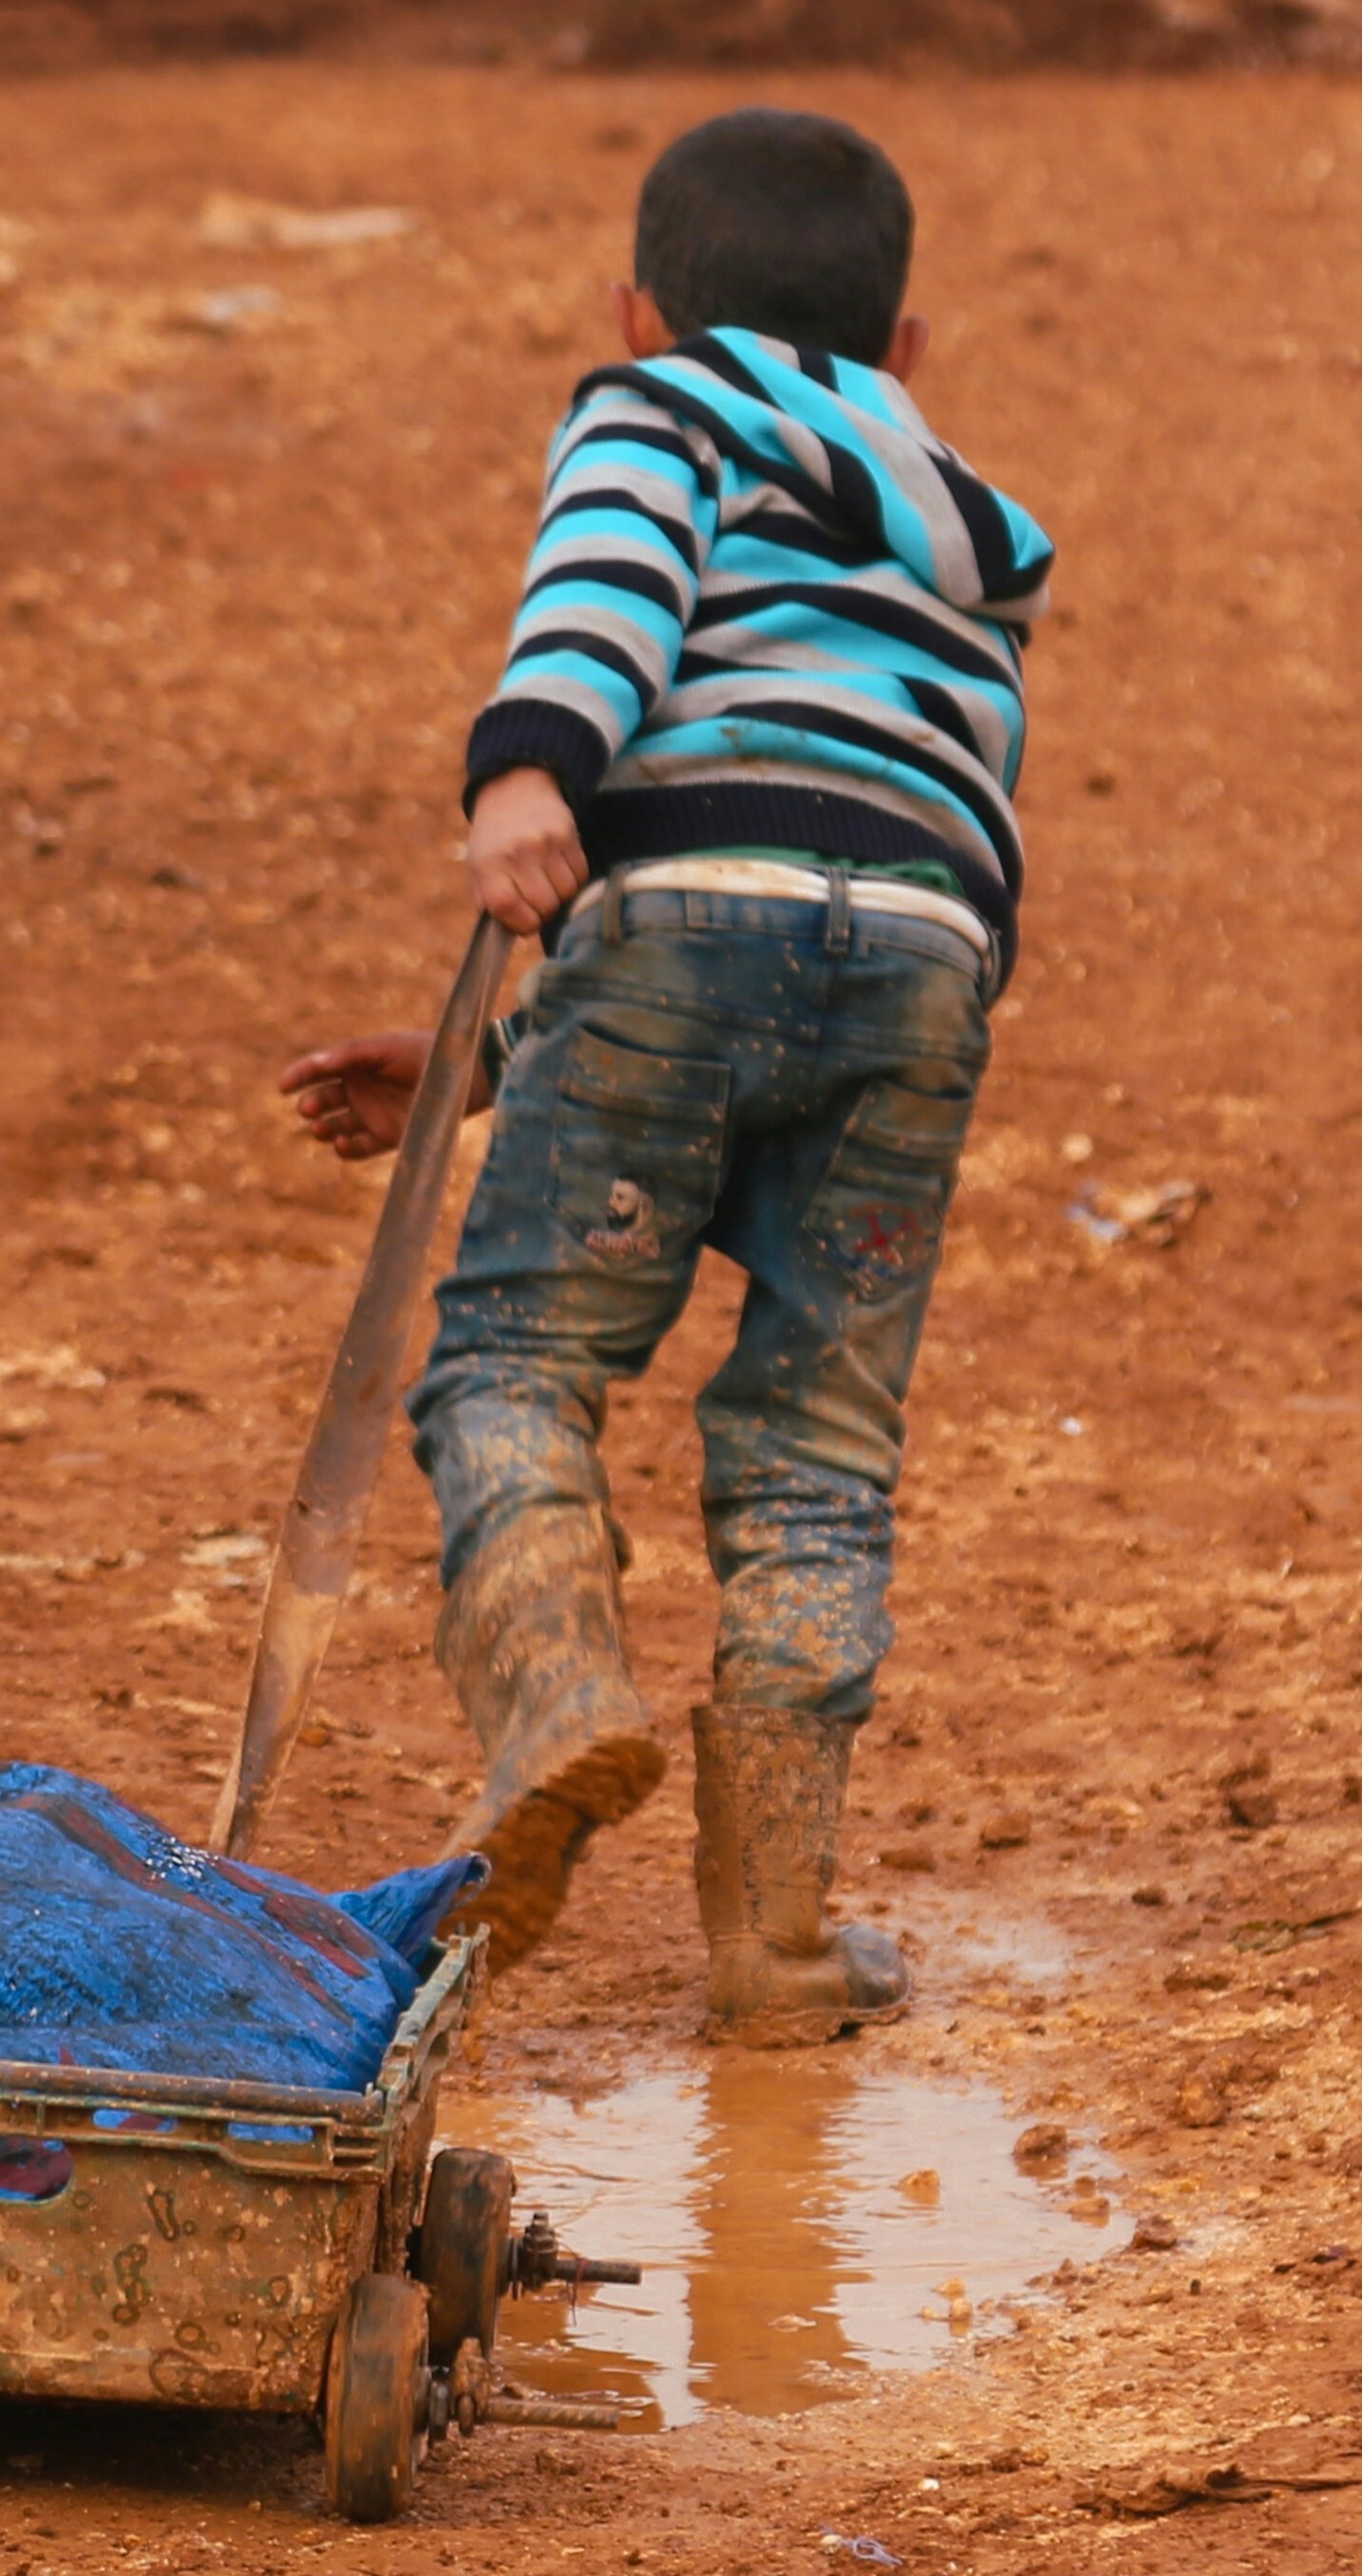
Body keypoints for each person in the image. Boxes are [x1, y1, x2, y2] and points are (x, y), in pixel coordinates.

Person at [281, 108, 1052, 2041]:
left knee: (511, 1362)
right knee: (817, 1448)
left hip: (677, 934)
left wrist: (528, 765)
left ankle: (557, 1700)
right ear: (908, 350)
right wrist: (496, 1061)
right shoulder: (968, 530)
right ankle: (777, 1946)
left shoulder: (652, 410)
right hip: (923, 977)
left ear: (639, 313)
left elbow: (608, 587)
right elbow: (856, 832)